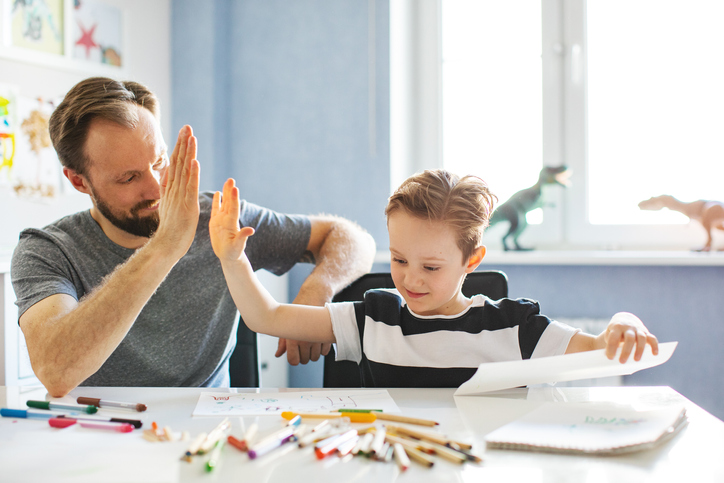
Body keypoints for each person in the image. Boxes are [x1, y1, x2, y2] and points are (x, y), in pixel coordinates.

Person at [11, 77, 376, 397]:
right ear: (78, 181)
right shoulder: (46, 250)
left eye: (158, 162)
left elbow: (352, 239)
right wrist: (165, 246)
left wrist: (315, 294)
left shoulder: (217, 219)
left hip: (207, 431)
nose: (157, 188)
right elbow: (55, 372)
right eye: (129, 178)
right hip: (105, 431)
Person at [209, 169, 659, 387]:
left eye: (431, 267)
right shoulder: (374, 316)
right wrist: (232, 259)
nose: (410, 280)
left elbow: (603, 349)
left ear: (472, 260)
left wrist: (626, 321)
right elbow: (266, 316)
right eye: (400, 259)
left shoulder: (515, 327)